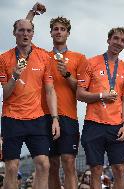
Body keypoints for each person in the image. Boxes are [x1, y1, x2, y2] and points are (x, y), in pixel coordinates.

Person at [26, 3, 89, 189]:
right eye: (55, 29)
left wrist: (67, 75)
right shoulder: (43, 55)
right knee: (52, 165)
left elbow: (82, 90)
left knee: (69, 162)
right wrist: (32, 13)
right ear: (51, 33)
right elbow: (25, 35)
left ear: (68, 33)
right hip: (44, 116)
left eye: (63, 29)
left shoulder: (79, 58)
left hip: (68, 116)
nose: (59, 32)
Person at [0, 19, 59, 189]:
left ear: (33, 34)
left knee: (44, 164)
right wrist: (15, 75)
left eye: (28, 31)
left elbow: (50, 91)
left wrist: (55, 119)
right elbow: (6, 93)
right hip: (12, 118)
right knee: (11, 167)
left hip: (37, 119)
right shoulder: (4, 59)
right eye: (21, 30)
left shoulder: (43, 57)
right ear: (14, 33)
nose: (25, 34)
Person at [77, 27, 124, 189]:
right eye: (116, 38)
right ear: (108, 40)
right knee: (96, 170)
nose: (119, 43)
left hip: (117, 126)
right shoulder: (91, 63)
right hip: (94, 123)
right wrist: (101, 96)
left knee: (120, 169)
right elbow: (79, 94)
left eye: (123, 41)